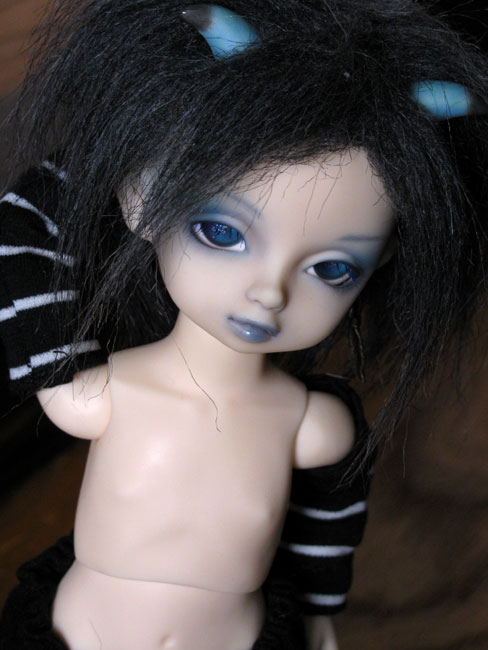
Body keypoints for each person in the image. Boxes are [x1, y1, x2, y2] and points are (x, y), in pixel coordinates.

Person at [0, 1, 487, 649]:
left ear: (378, 264)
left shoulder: (313, 426)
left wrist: (317, 615)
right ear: (142, 197)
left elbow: (327, 529)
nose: (269, 292)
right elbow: (24, 224)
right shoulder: (99, 394)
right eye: (222, 233)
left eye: (331, 269)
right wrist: (120, 140)